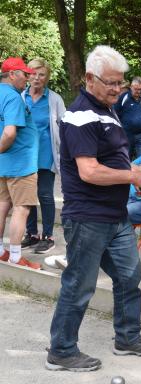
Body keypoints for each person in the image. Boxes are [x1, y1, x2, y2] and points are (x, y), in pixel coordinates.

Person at [46, 45, 141, 373]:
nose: (117, 89)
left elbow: (114, 158)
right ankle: (62, 350)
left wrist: (135, 178)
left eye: (120, 83)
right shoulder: (82, 115)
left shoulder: (107, 109)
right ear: (89, 79)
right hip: (87, 217)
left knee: (129, 275)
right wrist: (132, 175)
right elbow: (89, 171)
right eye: (110, 83)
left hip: (115, 215)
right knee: (79, 284)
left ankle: (127, 337)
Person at [20, 58, 66, 254]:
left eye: (41, 75)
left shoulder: (54, 99)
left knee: (45, 194)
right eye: (33, 74)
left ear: (47, 78)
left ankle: (48, 236)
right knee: (27, 194)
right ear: (28, 75)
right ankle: (32, 234)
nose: (37, 78)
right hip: (25, 154)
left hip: (46, 152)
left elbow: (64, 125)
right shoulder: (21, 97)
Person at [0, 57, 40, 270]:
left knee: (2, 205)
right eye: (24, 74)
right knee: (21, 208)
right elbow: (9, 132)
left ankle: (0, 251)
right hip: (20, 163)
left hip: (5, 164)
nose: (28, 77)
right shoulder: (13, 98)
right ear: (12, 74)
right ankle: (15, 256)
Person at [113, 76, 141, 159]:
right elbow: (115, 114)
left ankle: (140, 172)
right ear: (131, 87)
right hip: (126, 134)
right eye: (136, 89)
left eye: (140, 89)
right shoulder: (123, 97)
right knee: (126, 158)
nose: (138, 91)